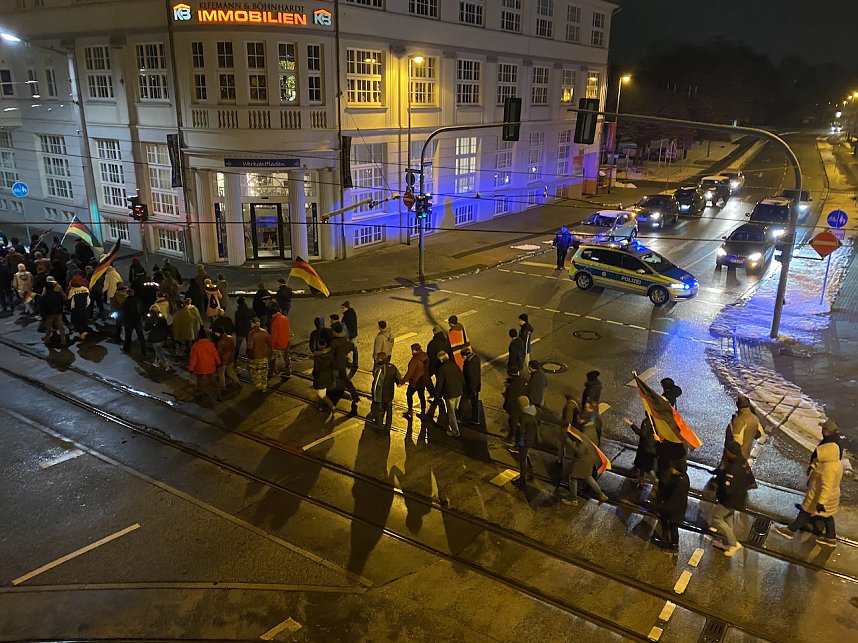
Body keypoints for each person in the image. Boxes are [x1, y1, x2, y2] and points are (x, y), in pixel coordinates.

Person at [774, 441, 842, 546]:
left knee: (805, 512)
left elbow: (826, 487)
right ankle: (830, 537)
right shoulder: (834, 463)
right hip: (829, 497)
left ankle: (790, 530)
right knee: (827, 516)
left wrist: (821, 502)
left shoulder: (829, 469)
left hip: (819, 497)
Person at [710, 441, 755, 556]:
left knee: (717, 518)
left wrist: (719, 489)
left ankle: (733, 543)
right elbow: (750, 479)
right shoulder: (743, 462)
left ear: (731, 453)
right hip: (740, 498)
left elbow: (728, 488)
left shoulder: (732, 468)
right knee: (728, 518)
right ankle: (727, 543)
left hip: (729, 500)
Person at [651, 464, 689, 551]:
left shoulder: (679, 482)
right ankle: (667, 541)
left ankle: (674, 546)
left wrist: (661, 507)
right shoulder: (682, 477)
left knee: (673, 528)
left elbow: (673, 500)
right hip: (677, 509)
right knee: (671, 526)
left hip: (674, 511)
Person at [720, 395, 764, 464]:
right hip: (746, 455)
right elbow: (760, 434)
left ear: (738, 405)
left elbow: (736, 440)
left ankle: (724, 466)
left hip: (736, 456)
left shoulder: (740, 420)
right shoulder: (755, 418)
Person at [329, 322, 359, 417]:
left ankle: (331, 403)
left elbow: (330, 355)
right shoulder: (345, 340)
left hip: (335, 366)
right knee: (346, 380)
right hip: (342, 365)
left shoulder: (334, 342)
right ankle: (355, 396)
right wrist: (352, 362)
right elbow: (353, 347)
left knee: (332, 384)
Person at [432, 351, 464, 437]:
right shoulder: (455, 365)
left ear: (440, 360)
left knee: (451, 412)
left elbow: (440, 384)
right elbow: (461, 378)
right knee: (455, 410)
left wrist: (437, 395)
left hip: (450, 394)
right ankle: (455, 424)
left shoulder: (441, 369)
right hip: (459, 391)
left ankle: (455, 431)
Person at [512, 396, 538, 490]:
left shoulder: (523, 417)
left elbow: (521, 431)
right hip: (531, 439)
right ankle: (531, 472)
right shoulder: (533, 411)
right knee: (526, 455)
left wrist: (518, 442)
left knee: (522, 460)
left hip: (524, 441)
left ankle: (522, 480)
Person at [189, 328, 221, 403]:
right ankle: (218, 394)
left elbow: (193, 359)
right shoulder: (210, 344)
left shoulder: (195, 346)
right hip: (210, 366)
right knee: (212, 381)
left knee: (200, 381)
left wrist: (191, 368)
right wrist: (218, 362)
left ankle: (201, 394)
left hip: (200, 367)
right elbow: (215, 355)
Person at [369, 352, 400, 430]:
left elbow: (377, 384)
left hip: (381, 394)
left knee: (381, 410)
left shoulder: (380, 369)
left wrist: (374, 395)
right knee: (389, 411)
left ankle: (379, 427)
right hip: (390, 394)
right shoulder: (393, 367)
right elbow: (398, 379)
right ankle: (388, 426)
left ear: (380, 359)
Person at [624, 415, 657, 486]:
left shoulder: (647, 421)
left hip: (645, 447)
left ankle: (650, 481)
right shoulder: (657, 420)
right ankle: (640, 479)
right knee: (644, 465)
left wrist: (631, 424)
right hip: (652, 447)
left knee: (645, 466)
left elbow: (643, 434)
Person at [399, 342, 429, 419]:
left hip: (415, 382)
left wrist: (402, 382)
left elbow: (409, 373)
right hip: (422, 380)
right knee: (421, 396)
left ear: (414, 350)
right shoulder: (425, 356)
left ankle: (410, 411)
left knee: (409, 394)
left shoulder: (414, 360)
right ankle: (423, 412)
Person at [311, 338, 337, 421]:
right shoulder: (330, 354)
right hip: (328, 377)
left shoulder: (318, 357)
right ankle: (320, 406)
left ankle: (332, 407)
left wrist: (314, 375)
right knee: (323, 392)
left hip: (321, 378)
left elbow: (316, 369)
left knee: (322, 394)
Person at [246, 317, 272, 391]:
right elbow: (269, 343)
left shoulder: (252, 333)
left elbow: (250, 347)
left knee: (254, 372)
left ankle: (258, 385)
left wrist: (248, 352)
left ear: (253, 324)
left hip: (254, 356)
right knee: (263, 371)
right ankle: (263, 386)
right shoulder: (265, 332)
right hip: (263, 355)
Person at [503, 371, 528, 445]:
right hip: (522, 408)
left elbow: (508, 400)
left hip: (514, 409)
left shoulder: (511, 387)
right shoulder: (523, 381)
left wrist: (506, 407)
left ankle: (513, 441)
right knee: (517, 424)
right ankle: (515, 440)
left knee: (514, 425)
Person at [39, 276, 66, 345]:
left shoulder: (45, 293)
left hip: (49, 313)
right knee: (60, 326)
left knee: (49, 327)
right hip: (58, 312)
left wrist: (43, 315)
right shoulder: (57, 290)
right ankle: (63, 340)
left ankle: (47, 339)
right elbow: (62, 298)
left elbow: (42, 305)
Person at [143, 304, 171, 370]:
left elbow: (146, 328)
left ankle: (166, 365)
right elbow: (166, 326)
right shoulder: (162, 317)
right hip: (163, 336)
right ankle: (156, 362)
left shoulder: (150, 318)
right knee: (158, 349)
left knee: (159, 351)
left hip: (155, 337)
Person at [426, 326, 451, 399]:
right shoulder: (447, 341)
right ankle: (442, 392)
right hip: (446, 363)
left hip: (435, 365)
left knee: (426, 377)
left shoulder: (431, 344)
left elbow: (429, 356)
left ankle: (433, 393)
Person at [121, 287, 147, 355]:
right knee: (140, 336)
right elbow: (142, 310)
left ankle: (126, 349)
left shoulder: (125, 302)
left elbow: (124, 313)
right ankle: (143, 350)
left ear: (127, 294)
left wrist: (123, 321)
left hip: (129, 322)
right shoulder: (138, 300)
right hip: (137, 320)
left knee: (128, 336)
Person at [214, 325, 239, 391]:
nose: (216, 334)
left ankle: (223, 386)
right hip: (231, 358)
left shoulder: (221, 342)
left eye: (216, 333)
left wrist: (216, 361)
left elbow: (219, 353)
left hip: (223, 360)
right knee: (230, 371)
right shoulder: (231, 338)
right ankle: (237, 381)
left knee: (221, 373)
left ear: (219, 333)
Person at [67, 275, 91, 341]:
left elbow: (70, 300)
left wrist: (71, 308)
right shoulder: (85, 289)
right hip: (85, 307)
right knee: (84, 320)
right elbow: (88, 299)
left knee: (76, 321)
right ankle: (85, 331)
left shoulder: (72, 291)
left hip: (76, 308)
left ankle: (82, 333)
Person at [269, 306, 291, 378]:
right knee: (286, 357)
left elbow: (274, 336)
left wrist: (271, 346)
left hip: (278, 344)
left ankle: (271, 371)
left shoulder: (275, 322)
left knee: (273, 358)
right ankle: (288, 372)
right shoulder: (285, 318)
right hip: (286, 341)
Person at [462, 348, 482, 425]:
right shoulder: (476, 358)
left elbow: (471, 377)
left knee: (470, 402)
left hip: (471, 387)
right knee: (474, 403)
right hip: (476, 385)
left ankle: (474, 419)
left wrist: (472, 390)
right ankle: (475, 418)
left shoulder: (469, 363)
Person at [341, 301, 358, 370]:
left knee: (351, 349)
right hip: (352, 335)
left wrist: (349, 336)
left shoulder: (348, 316)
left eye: (343, 308)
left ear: (347, 308)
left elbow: (349, 327)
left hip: (351, 336)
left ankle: (353, 363)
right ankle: (354, 363)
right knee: (354, 349)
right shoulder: (348, 314)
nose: (342, 309)